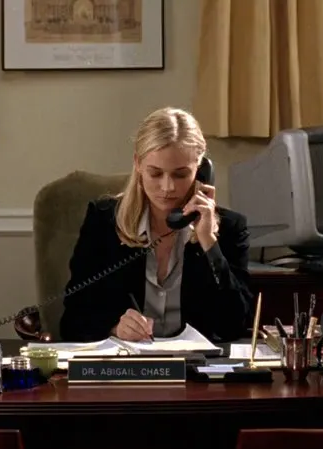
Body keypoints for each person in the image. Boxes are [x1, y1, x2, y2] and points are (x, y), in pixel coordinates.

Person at [59, 107, 253, 343]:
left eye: (180, 175)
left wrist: (208, 242)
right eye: (155, 173)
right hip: (127, 360)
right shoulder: (104, 220)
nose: (167, 187)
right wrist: (114, 328)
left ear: (200, 170)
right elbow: (72, 318)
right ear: (138, 164)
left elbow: (236, 324)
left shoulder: (231, 228)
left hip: (197, 363)